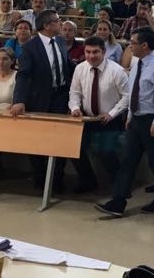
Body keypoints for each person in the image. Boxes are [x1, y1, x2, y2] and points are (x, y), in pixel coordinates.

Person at [95, 27, 154, 217]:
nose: (130, 46)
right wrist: (130, 116)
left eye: (133, 43)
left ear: (145, 45)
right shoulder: (138, 63)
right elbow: (133, 93)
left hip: (153, 119)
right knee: (128, 161)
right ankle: (118, 201)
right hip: (137, 119)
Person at [11, 10, 73, 193]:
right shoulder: (30, 47)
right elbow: (23, 75)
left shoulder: (60, 41)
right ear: (47, 25)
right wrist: (19, 100)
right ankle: (40, 178)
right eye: (57, 20)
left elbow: (68, 66)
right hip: (39, 99)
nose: (60, 23)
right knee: (38, 141)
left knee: (60, 140)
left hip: (60, 96)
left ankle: (57, 179)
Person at [68, 36, 129, 192]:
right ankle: (88, 181)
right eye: (88, 52)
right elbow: (74, 92)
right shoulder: (80, 68)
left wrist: (111, 114)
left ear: (103, 51)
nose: (91, 56)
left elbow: (127, 97)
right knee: (74, 148)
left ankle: (120, 188)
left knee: (106, 151)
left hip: (110, 119)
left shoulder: (117, 71)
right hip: (87, 119)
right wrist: (75, 108)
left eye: (95, 52)